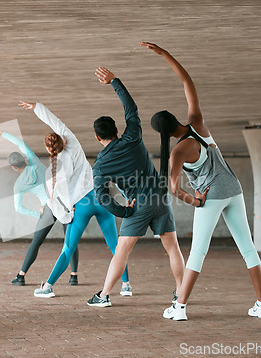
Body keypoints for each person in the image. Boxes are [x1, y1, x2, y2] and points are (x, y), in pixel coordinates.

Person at [142, 41, 261, 321]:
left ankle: (180, 308)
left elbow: (174, 189)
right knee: (247, 248)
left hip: (210, 197)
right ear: (175, 119)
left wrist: (195, 200)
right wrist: (164, 54)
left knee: (198, 253)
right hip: (234, 189)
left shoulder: (176, 152)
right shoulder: (198, 124)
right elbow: (187, 81)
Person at [86, 67, 185, 308]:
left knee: (122, 251)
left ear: (98, 138)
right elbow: (131, 109)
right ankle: (181, 293)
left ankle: (104, 295)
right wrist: (114, 82)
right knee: (172, 248)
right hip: (160, 197)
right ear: (117, 130)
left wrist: (125, 211)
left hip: (137, 205)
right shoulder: (133, 136)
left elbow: (103, 198)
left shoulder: (101, 164)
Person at [18, 100, 132, 299]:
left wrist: (68, 213)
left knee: (68, 248)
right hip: (102, 199)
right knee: (115, 245)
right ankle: (126, 285)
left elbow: (60, 198)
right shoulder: (73, 142)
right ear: (63, 140)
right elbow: (55, 122)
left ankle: (48, 287)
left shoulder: (55, 170)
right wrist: (37, 107)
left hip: (82, 205)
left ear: (49, 149)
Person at [0, 129, 79, 286]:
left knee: (36, 242)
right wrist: (0, 132)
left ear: (13, 167)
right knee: (70, 240)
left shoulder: (19, 185)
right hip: (63, 203)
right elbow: (20, 143)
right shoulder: (34, 162)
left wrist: (38, 214)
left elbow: (19, 208)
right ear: (24, 160)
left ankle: (21, 276)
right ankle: (73, 276)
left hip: (47, 207)